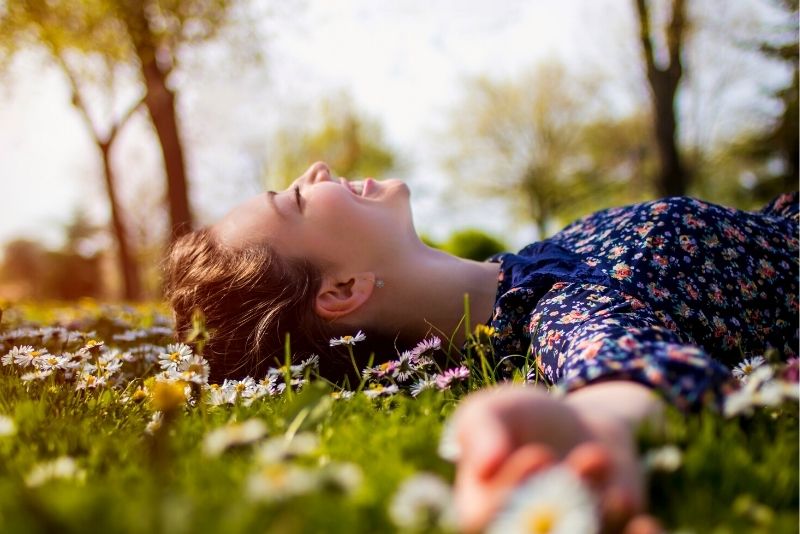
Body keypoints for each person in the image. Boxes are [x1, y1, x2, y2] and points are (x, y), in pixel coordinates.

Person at [162, 161, 799, 532]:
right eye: (298, 198)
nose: (318, 171)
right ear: (342, 290)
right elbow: (619, 371)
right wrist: (588, 434)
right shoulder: (559, 313)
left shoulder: (542, 262)